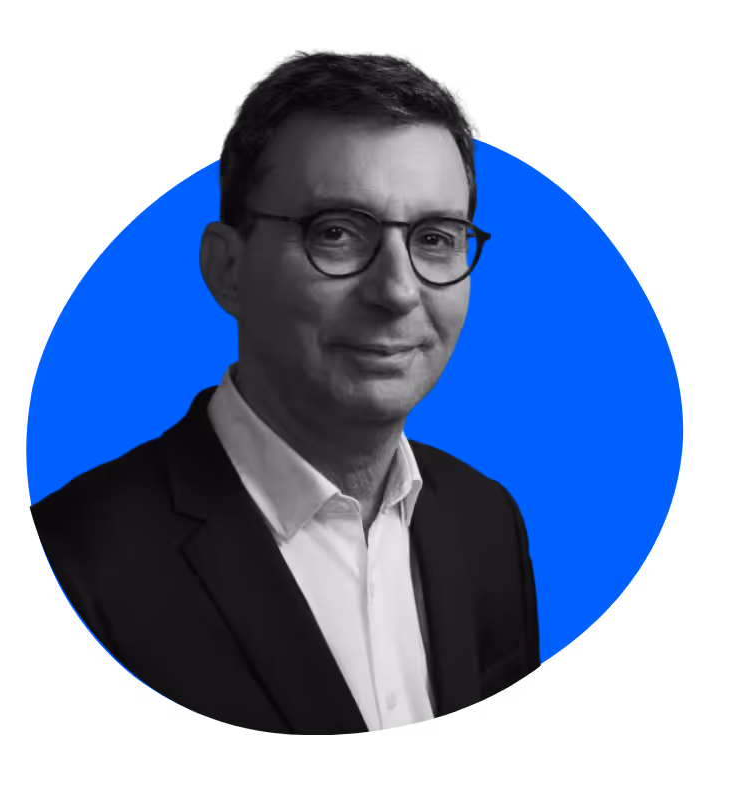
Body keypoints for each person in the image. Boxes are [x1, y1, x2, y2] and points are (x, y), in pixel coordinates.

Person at [32, 49, 539, 735]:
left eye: (435, 239)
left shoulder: (488, 522)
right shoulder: (78, 565)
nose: (397, 291)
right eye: (337, 233)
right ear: (227, 269)